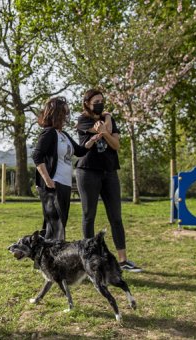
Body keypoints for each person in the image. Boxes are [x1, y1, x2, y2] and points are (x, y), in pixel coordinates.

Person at [75, 89, 142, 272]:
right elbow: (105, 130)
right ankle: (89, 259)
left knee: (116, 217)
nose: (100, 103)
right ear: (87, 103)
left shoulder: (108, 118)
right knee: (89, 215)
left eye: (102, 101)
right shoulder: (83, 120)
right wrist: (107, 123)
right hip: (87, 171)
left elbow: (116, 144)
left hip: (110, 171)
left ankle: (123, 260)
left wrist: (108, 122)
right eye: (96, 101)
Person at [32, 96, 98, 240]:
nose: (66, 116)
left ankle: (46, 258)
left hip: (65, 184)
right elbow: (37, 156)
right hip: (53, 185)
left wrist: (92, 140)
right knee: (55, 227)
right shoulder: (48, 133)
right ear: (56, 114)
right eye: (64, 113)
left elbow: (79, 151)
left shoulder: (64, 135)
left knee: (58, 226)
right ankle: (50, 259)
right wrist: (48, 180)